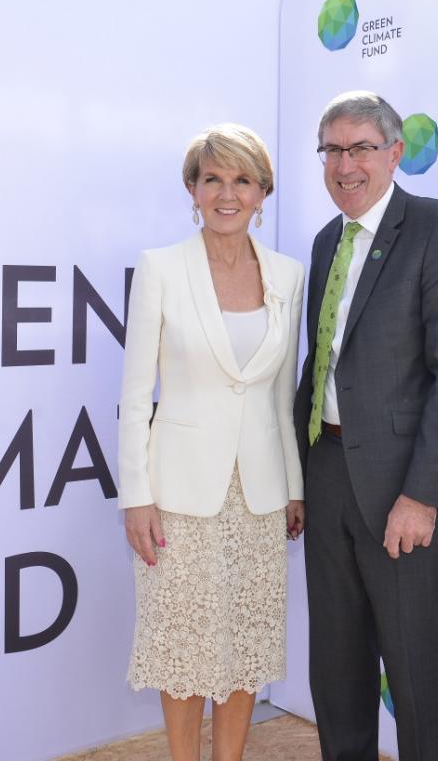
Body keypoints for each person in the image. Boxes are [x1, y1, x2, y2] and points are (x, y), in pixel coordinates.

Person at [293, 91, 438, 761]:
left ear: (395, 153)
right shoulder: (327, 242)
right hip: (328, 474)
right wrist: (296, 475)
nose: (345, 165)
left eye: (361, 148)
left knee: (413, 669)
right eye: (332, 150)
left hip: (405, 490)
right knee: (337, 667)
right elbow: (321, 369)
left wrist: (423, 494)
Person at [117, 123, 306, 761]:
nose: (228, 194)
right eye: (213, 179)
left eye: (242, 181)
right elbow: (137, 395)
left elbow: (281, 395)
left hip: (260, 492)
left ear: (262, 193)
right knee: (185, 642)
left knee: (246, 642)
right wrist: (134, 496)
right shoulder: (161, 269)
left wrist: (295, 487)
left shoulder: (287, 275)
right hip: (178, 492)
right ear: (193, 191)